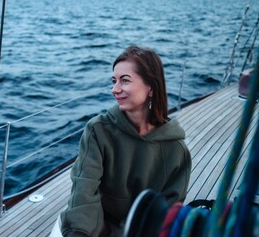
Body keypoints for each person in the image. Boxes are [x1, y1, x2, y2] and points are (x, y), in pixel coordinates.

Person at [54, 45, 192, 237]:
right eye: (114, 81)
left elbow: (167, 211)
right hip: (99, 225)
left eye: (124, 80)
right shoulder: (98, 130)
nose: (114, 89)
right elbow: (83, 190)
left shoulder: (177, 150)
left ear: (150, 87)